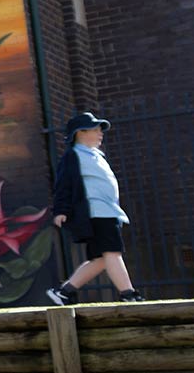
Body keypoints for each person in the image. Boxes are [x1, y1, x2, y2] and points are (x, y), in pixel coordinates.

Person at [49, 112, 145, 304]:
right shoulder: (73, 155)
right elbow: (63, 184)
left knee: (101, 259)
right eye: (95, 129)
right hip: (97, 212)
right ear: (80, 133)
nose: (100, 133)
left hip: (108, 211)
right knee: (112, 252)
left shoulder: (96, 155)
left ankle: (65, 291)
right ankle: (128, 294)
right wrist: (61, 210)